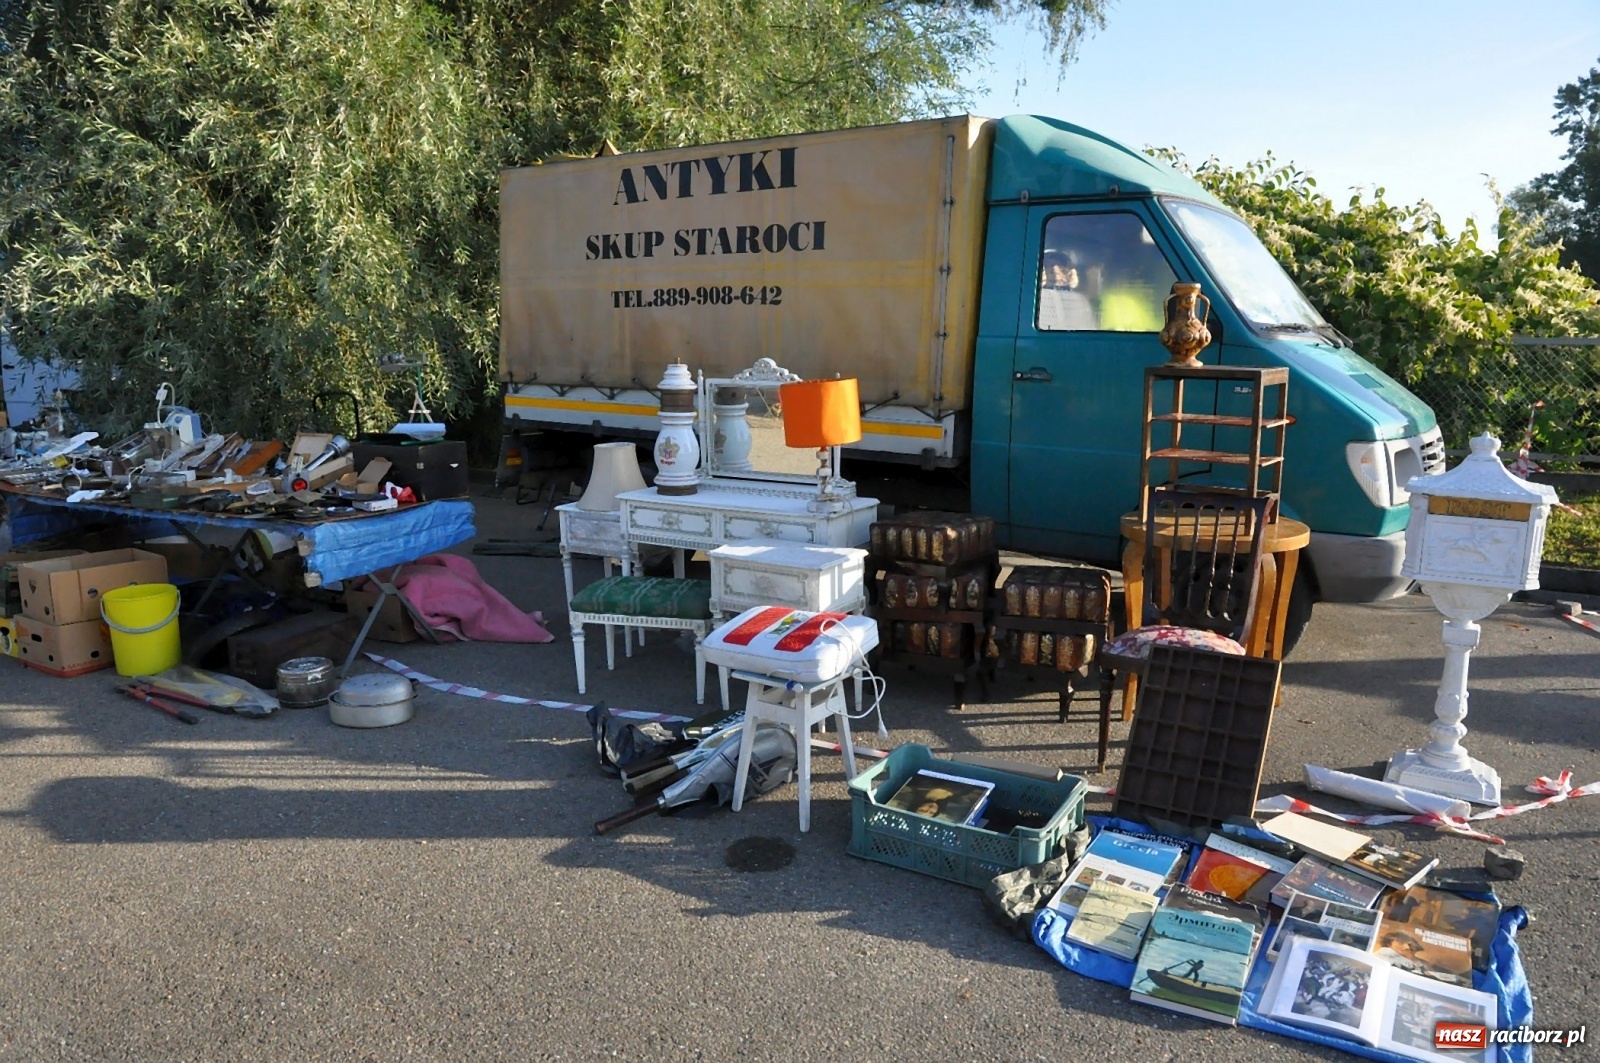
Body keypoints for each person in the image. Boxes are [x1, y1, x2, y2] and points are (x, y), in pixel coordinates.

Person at [1037, 248, 1097, 331]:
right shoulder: (1035, 300)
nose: (1056, 277)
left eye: (1062, 270)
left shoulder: (1080, 301)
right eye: (1050, 270)